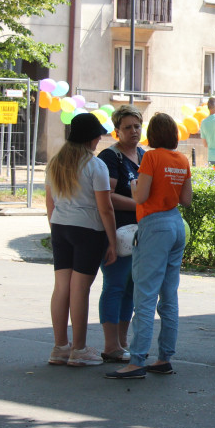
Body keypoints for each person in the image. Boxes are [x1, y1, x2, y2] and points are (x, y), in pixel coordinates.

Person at [106, 113, 192, 379]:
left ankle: (137, 359)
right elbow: (187, 199)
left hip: (153, 226)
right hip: (177, 224)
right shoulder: (182, 159)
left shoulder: (151, 157)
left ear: (152, 134)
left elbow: (141, 196)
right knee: (169, 295)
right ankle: (164, 357)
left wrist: (134, 187)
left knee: (144, 295)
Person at [45, 113, 117, 367]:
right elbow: (105, 208)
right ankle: (80, 349)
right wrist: (113, 241)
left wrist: (56, 225)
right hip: (88, 230)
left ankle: (59, 347)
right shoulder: (95, 165)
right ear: (91, 137)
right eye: (98, 134)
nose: (100, 139)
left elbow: (49, 201)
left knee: (62, 286)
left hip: (60, 226)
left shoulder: (56, 162)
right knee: (80, 289)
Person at [96, 105, 145, 363]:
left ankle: (122, 342)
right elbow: (108, 197)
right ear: (117, 131)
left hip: (140, 234)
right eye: (127, 127)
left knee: (131, 288)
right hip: (117, 232)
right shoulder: (110, 157)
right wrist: (139, 205)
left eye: (137, 126)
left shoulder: (142, 154)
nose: (134, 131)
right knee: (115, 286)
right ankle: (110, 345)